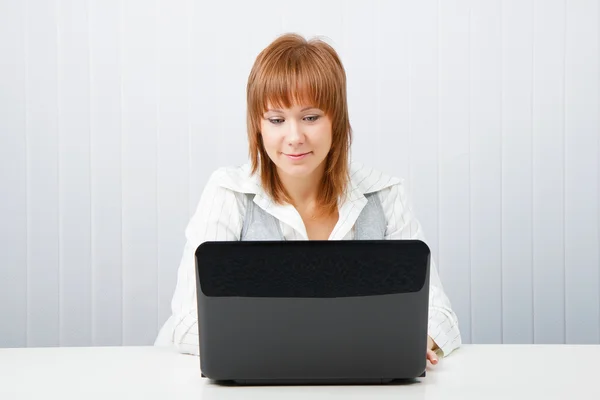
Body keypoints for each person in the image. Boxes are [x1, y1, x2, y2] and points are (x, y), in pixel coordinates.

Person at [155, 33, 461, 365]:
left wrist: (420, 338)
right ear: (258, 126)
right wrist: (321, 345)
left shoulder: (385, 195)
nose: (294, 137)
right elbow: (187, 322)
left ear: (337, 121)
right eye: (276, 120)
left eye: (311, 117)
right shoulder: (228, 193)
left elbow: (439, 315)